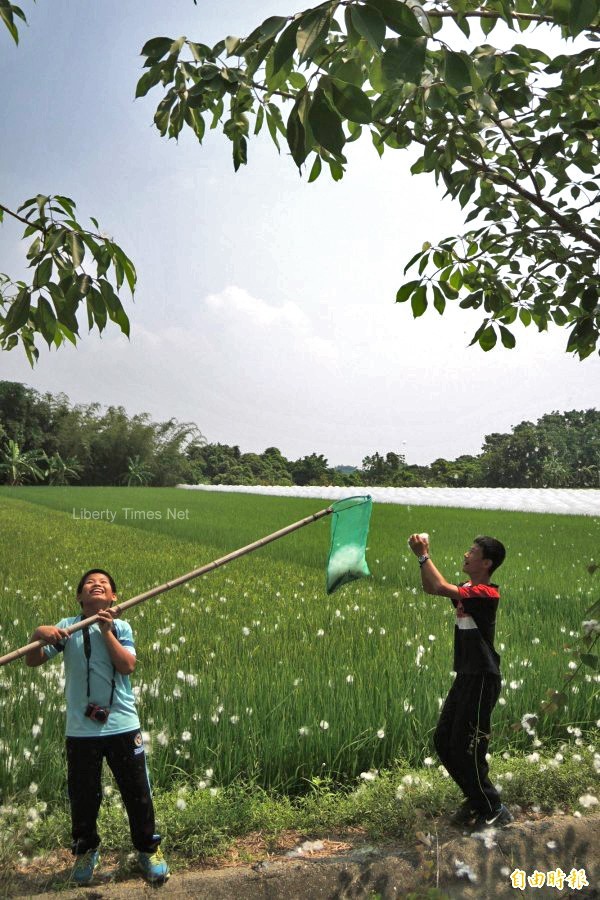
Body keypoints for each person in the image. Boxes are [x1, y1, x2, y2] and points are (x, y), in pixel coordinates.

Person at [25, 569, 169, 885]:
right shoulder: (66, 628)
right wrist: (38, 634)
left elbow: (127, 665)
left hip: (122, 725)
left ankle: (148, 849)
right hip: (81, 730)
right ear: (80, 597)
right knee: (83, 796)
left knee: (137, 793)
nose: (97, 584)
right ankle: (86, 851)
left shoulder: (121, 626)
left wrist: (106, 631)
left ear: (113, 597)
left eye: (104, 583)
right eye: (90, 583)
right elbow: (32, 660)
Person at [407, 533, 513, 831]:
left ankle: (493, 808)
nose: (466, 553)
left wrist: (423, 554)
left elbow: (439, 585)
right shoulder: (468, 588)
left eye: (473, 551)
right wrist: (421, 559)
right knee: (443, 740)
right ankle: (476, 799)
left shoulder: (487, 593)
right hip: (466, 676)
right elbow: (432, 589)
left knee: (468, 747)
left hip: (482, 677)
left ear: (487, 562)